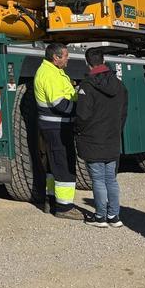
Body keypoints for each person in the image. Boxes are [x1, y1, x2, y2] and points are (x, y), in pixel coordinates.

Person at [74, 47, 128, 228]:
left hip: (92, 138)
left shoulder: (87, 86)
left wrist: (77, 130)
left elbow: (82, 115)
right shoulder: (119, 85)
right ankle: (115, 217)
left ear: (87, 63)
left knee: (98, 180)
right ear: (104, 60)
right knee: (111, 179)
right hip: (112, 138)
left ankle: (100, 217)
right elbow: (123, 113)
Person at [34, 43, 81, 219]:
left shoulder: (53, 71)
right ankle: (64, 207)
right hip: (56, 127)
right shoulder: (49, 74)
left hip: (53, 126)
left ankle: (51, 200)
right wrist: (80, 108)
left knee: (54, 164)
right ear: (56, 57)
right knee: (64, 164)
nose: (68, 59)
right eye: (66, 56)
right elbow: (59, 104)